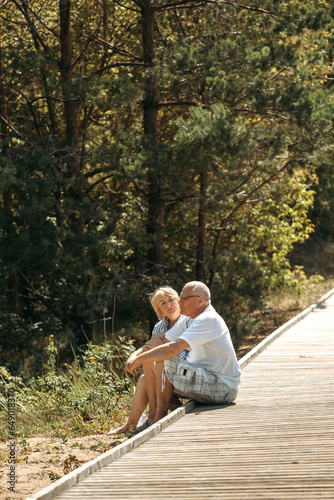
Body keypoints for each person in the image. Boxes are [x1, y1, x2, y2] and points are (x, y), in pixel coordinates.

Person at [127, 281, 241, 422]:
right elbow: (162, 342)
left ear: (200, 300)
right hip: (207, 380)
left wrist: (139, 359)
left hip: (223, 387)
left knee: (164, 359)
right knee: (150, 368)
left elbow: (172, 349)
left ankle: (158, 419)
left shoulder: (208, 319)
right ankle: (143, 421)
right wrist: (135, 356)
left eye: (183, 299)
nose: (179, 303)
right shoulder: (189, 320)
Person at [108, 286, 187, 435]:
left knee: (151, 360)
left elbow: (174, 350)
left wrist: (159, 346)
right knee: (144, 377)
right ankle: (131, 423)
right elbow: (149, 347)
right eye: (163, 303)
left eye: (171, 300)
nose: (169, 305)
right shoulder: (160, 326)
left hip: (185, 370)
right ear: (159, 310)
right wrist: (133, 357)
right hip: (166, 374)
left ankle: (154, 416)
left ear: (178, 301)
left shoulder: (186, 321)